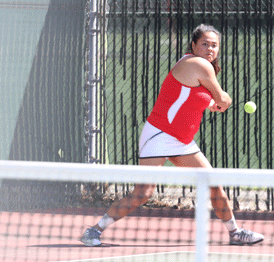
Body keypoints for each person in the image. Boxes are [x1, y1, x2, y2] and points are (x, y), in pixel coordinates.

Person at [81, 24, 264, 247]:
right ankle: (94, 230)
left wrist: (210, 105)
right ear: (194, 45)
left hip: (182, 141)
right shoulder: (197, 64)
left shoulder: (202, 68)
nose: (209, 49)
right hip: (159, 135)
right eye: (204, 44)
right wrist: (222, 102)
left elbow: (188, 97)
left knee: (213, 183)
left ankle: (235, 232)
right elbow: (223, 99)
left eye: (214, 46)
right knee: (143, 193)